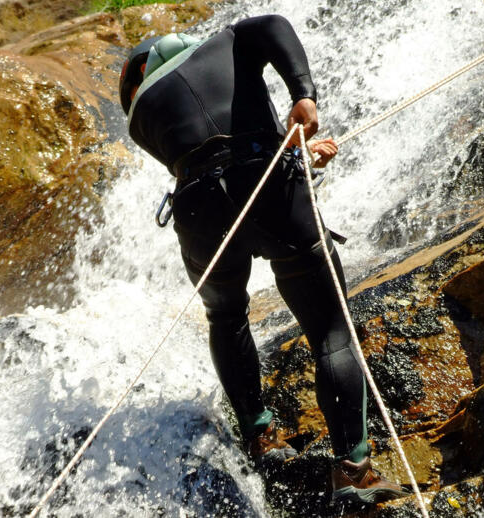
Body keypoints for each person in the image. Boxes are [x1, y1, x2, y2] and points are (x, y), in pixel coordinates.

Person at [118, 14, 407, 505]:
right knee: (330, 329)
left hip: (198, 208)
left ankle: (261, 439)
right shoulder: (227, 40)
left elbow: (209, 147)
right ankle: (354, 472)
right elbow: (273, 26)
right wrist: (304, 94)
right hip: (267, 185)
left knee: (225, 315)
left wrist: (293, 153)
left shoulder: (140, 116)